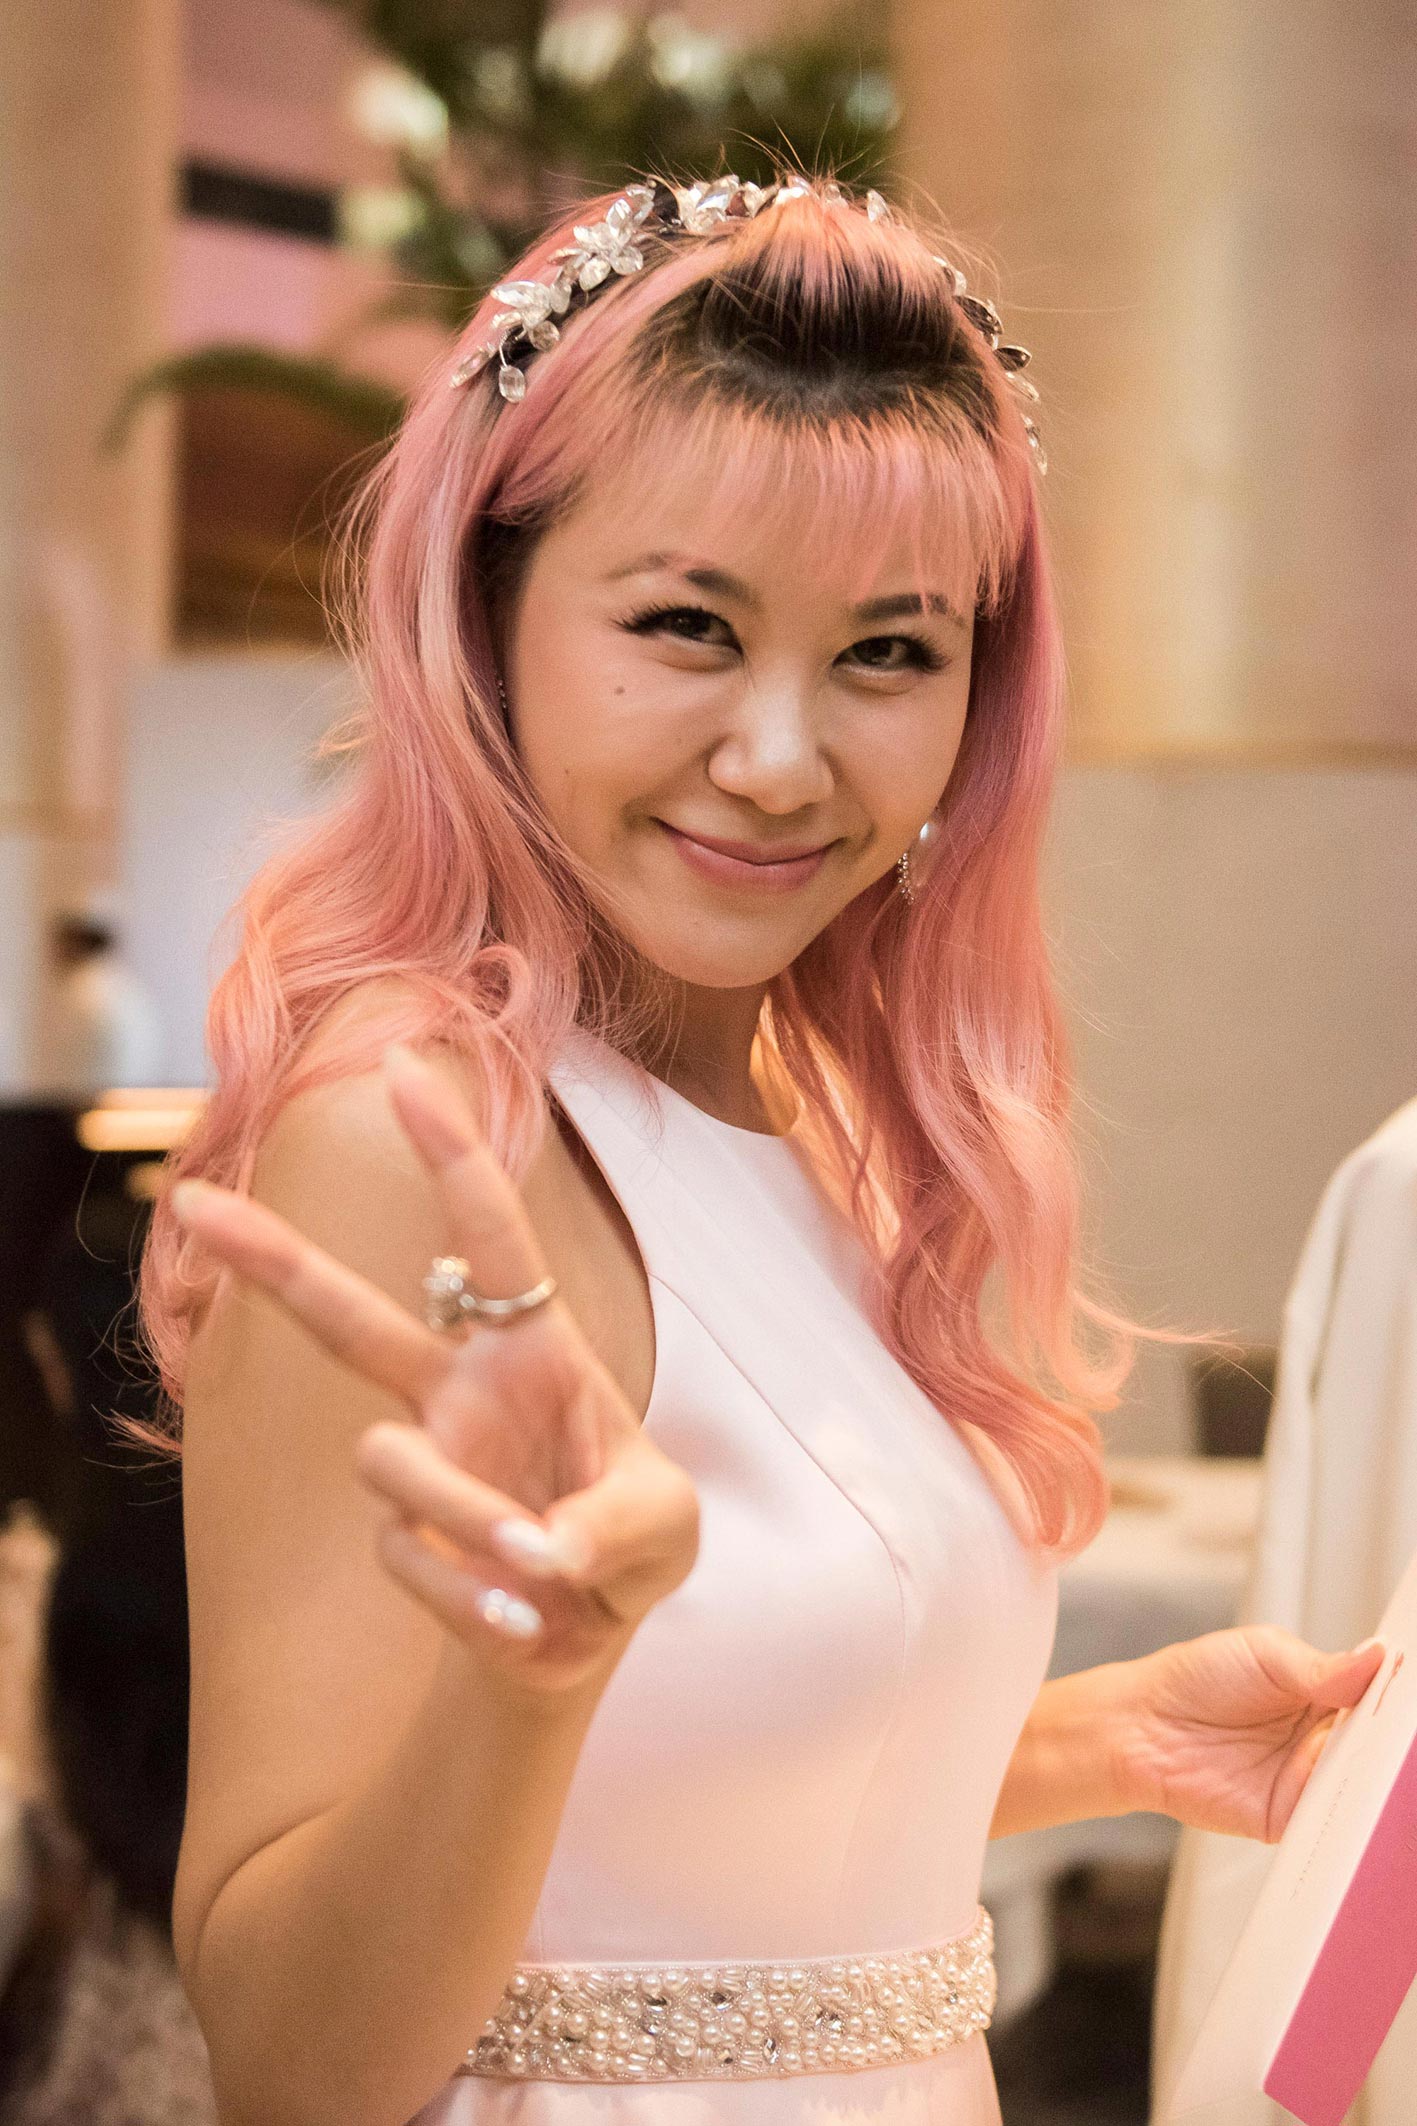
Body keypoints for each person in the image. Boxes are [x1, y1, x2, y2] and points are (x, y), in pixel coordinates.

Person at [128, 165, 1385, 2126]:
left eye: (888, 652)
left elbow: (674, 1824)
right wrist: (519, 1682)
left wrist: (1098, 1741)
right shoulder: (417, 1135)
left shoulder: (829, 1122)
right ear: (487, 618)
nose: (781, 760)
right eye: (686, 623)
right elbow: (288, 2062)